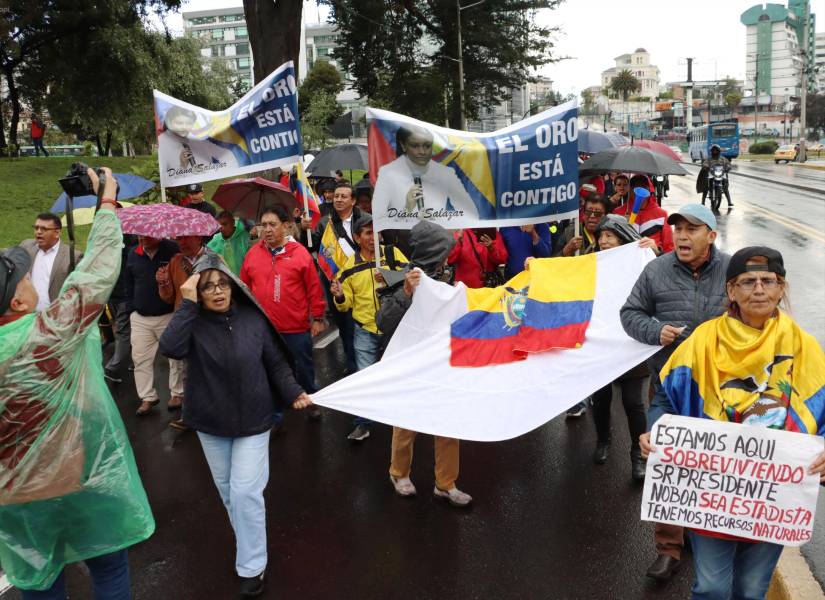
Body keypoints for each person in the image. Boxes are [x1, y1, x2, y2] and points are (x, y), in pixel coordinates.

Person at [0, 168, 154, 599]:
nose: (31, 280)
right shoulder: (50, 331)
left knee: (39, 577)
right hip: (79, 476)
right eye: (25, 279)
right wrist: (106, 201)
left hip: (14, 496)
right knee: (108, 565)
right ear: (17, 300)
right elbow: (98, 270)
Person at [640, 246, 825, 599]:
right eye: (748, 281)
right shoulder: (703, 340)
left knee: (751, 591)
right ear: (731, 290)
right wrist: (655, 430)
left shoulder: (805, 348)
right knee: (710, 587)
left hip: (773, 499)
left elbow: (822, 407)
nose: (759, 290)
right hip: (711, 492)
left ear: (781, 288)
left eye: (768, 281)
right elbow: (666, 397)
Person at [159, 256, 312, 599]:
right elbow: (170, 348)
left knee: (245, 492)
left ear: (233, 286)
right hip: (210, 423)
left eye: (222, 284)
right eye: (208, 286)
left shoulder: (253, 319)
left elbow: (276, 364)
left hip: (254, 420)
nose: (217, 291)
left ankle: (252, 565)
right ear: (198, 292)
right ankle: (249, 543)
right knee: (230, 493)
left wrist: (294, 392)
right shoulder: (192, 321)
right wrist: (187, 304)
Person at [621, 203, 731, 582]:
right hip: (668, 388)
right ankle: (669, 549)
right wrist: (656, 331)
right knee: (667, 462)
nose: (682, 236)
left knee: (712, 466)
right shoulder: (656, 271)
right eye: (678, 229)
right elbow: (630, 314)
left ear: (711, 236)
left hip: (721, 392)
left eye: (692, 229)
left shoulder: (732, 272)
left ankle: (704, 534)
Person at [375, 220, 473, 507]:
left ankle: (446, 483)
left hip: (441, 365)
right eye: (443, 252)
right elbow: (382, 321)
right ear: (433, 252)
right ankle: (399, 474)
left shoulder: (447, 279)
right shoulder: (401, 279)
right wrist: (405, 292)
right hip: (410, 367)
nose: (447, 259)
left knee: (448, 425)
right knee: (406, 424)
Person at [241, 205, 326, 422]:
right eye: (263, 225)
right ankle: (276, 416)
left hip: (295, 327)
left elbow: (314, 288)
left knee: (303, 368)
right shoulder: (253, 254)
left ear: (286, 226)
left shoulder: (299, 254)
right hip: (264, 328)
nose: (267, 229)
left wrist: (317, 317)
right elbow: (244, 288)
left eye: (272, 224)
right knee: (269, 370)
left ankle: (310, 400)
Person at [591, 215, 658, 481]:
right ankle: (602, 440)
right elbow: (563, 275)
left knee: (633, 402)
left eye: (610, 236)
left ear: (622, 238)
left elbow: (666, 275)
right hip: (600, 345)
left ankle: (637, 453)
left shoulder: (641, 258)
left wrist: (655, 252)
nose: (603, 241)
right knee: (600, 399)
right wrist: (537, 265)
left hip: (630, 343)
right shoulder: (590, 260)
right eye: (600, 236)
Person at [329, 214, 407, 441]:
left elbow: (412, 277)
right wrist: (339, 296)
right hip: (365, 329)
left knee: (397, 374)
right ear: (357, 237)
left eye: (376, 232)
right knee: (365, 378)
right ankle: (363, 424)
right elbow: (345, 305)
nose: (373, 237)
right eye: (367, 233)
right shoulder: (348, 267)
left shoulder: (392, 254)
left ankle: (403, 420)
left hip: (394, 327)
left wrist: (390, 276)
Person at [372, 125, 479, 225]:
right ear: (403, 146)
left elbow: (471, 213)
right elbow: (378, 220)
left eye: (427, 146)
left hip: (437, 235)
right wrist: (407, 210)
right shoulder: (387, 173)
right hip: (403, 237)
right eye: (415, 146)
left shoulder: (446, 173)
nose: (422, 152)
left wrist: (440, 221)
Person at [126, 235, 183, 416]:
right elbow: (128, 282)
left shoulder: (172, 249)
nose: (143, 237)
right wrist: (131, 308)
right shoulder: (133, 253)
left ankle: (177, 393)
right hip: (140, 317)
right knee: (140, 359)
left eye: (147, 234)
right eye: (140, 234)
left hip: (167, 314)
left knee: (175, 358)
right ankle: (147, 397)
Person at [313, 183, 366, 374]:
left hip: (362, 281)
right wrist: (303, 229)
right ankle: (352, 366)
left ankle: (368, 364)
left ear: (353, 200)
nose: (339, 199)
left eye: (344, 196)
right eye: (336, 196)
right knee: (344, 326)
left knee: (364, 324)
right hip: (336, 284)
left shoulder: (365, 220)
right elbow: (313, 247)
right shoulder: (324, 223)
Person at [19, 213, 82, 312]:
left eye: (43, 229)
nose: (38, 232)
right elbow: (8, 255)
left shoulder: (73, 256)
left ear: (57, 232)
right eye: (36, 228)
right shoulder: (27, 246)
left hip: (56, 316)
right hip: (27, 314)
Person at [158, 106, 241, 174]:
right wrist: (183, 165)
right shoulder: (162, 143)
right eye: (179, 123)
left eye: (188, 123)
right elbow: (165, 178)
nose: (184, 127)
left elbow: (229, 155)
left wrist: (215, 172)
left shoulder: (197, 141)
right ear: (170, 122)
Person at [104, 232, 138, 383]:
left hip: (121, 293)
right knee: (124, 330)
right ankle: (122, 365)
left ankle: (117, 365)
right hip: (116, 293)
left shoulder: (127, 239)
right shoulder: (112, 239)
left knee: (124, 330)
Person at [611, 177, 674, 255]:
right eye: (635, 186)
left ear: (649, 190)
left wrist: (657, 251)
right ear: (630, 190)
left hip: (654, 259)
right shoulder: (618, 212)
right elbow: (612, 243)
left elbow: (669, 246)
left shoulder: (662, 214)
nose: (639, 189)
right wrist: (623, 223)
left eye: (643, 186)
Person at [208, 210, 250, 275]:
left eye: (225, 224)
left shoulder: (245, 238)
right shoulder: (216, 239)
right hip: (224, 278)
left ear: (233, 222)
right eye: (219, 225)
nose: (222, 228)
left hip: (243, 278)